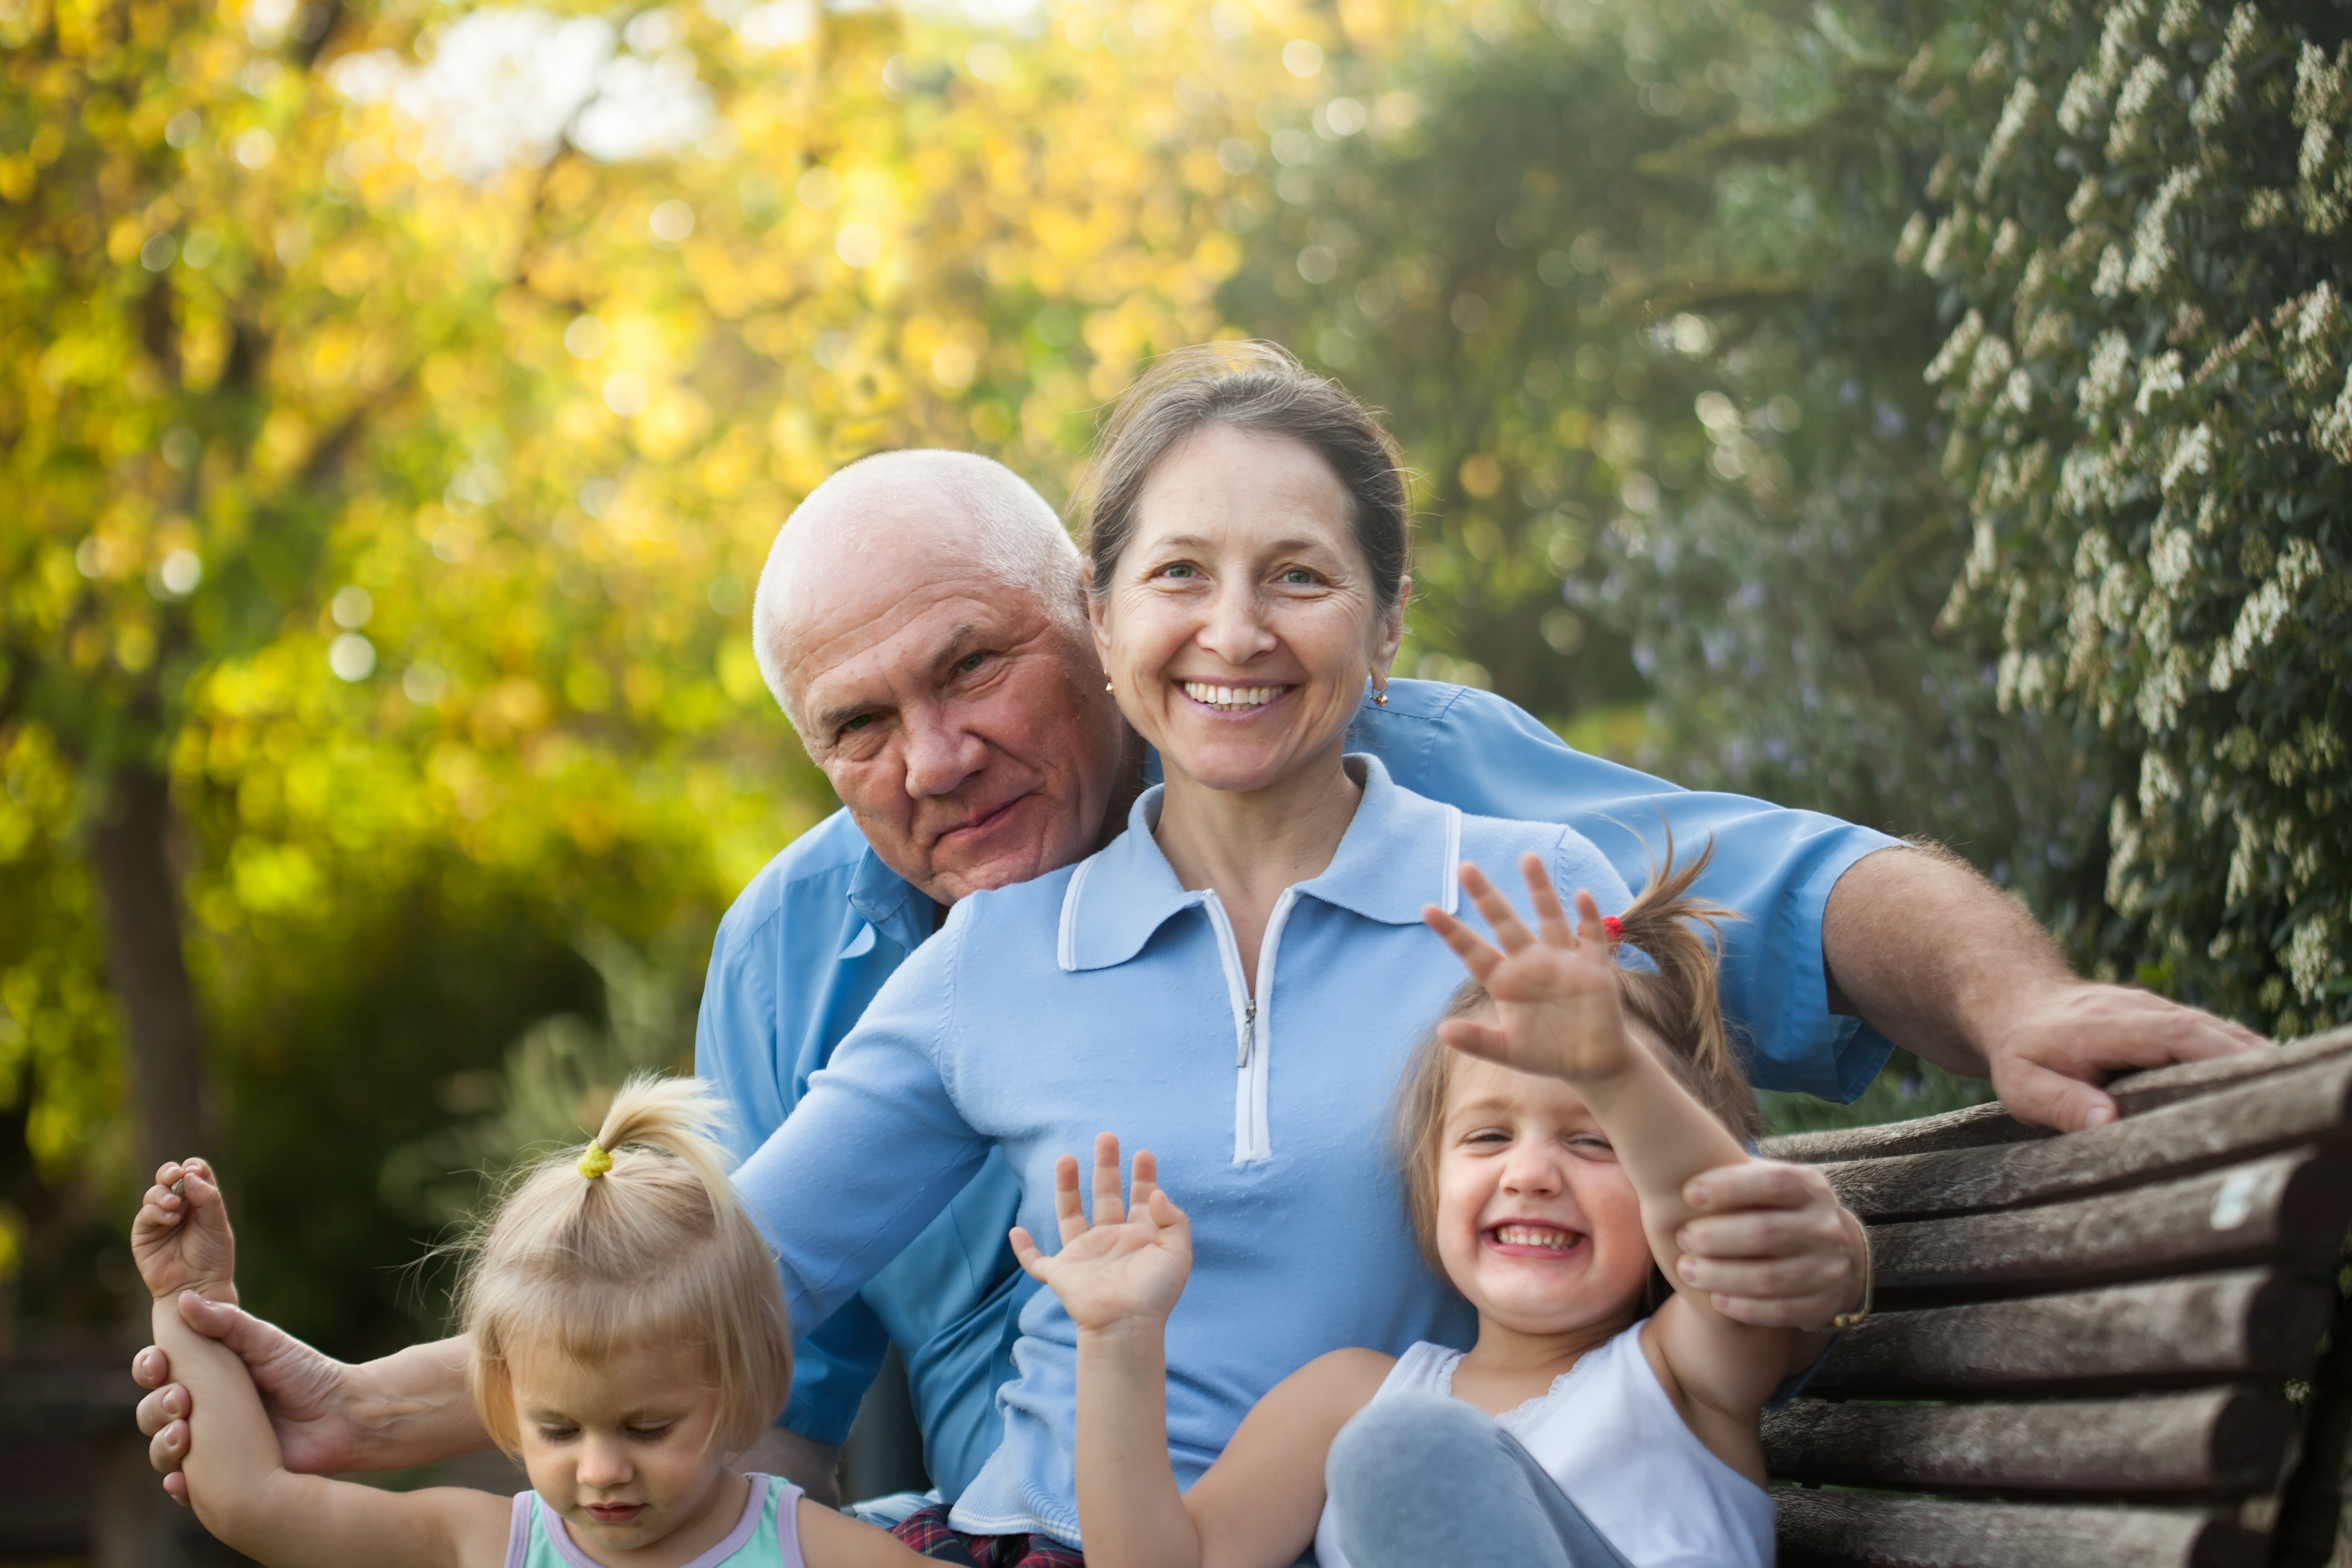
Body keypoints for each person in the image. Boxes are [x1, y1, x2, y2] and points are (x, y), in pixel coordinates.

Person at [132, 345, 2264, 1506]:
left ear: (1096, 624)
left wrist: (2020, 995)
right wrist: (366, 1412)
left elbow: (1802, 887)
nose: (936, 757)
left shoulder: (1431, 807)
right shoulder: (881, 952)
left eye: (973, 672)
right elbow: (713, 1312)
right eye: (858, 728)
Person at [1016, 847, 1784, 1568]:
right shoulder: (1348, 1398)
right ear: (1431, 1183)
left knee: (1403, 1447)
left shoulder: (1689, 1370)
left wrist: (1619, 1072)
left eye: (1595, 1140)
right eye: (1488, 1136)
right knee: (1397, 1440)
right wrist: (1117, 1340)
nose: (1533, 1174)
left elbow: (1735, 1238)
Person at [128, 1081, 934, 1568]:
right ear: (505, 1401)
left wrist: (1073, 1342)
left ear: (752, 1384)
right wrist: (192, 1295)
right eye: (559, 1429)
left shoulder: (809, 1550)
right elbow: (250, 1504)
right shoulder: (490, 1547)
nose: (602, 1470)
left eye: (648, 1428)